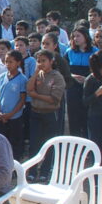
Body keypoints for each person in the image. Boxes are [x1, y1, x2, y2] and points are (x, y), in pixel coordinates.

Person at [26, 50, 65, 181]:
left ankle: (45, 172)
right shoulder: (38, 74)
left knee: (49, 144)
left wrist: (36, 95)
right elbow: (29, 89)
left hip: (50, 114)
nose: (41, 63)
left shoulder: (57, 77)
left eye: (44, 60)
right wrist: (36, 72)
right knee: (34, 143)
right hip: (36, 113)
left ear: (51, 61)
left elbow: (54, 98)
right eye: (39, 60)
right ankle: (32, 171)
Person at [65, 29, 96, 138]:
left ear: (86, 36)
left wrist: (87, 78)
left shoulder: (95, 51)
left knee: (87, 117)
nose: (75, 39)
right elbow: (64, 70)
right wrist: (73, 76)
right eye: (74, 36)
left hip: (89, 88)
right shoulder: (69, 52)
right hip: (73, 88)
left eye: (78, 36)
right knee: (73, 117)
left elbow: (99, 71)